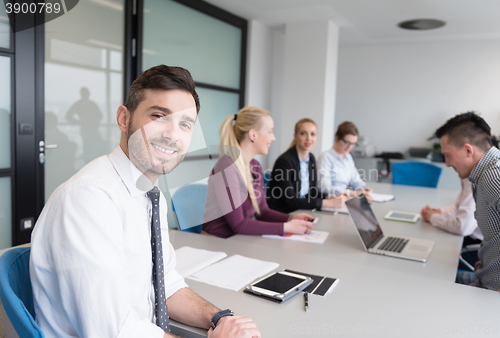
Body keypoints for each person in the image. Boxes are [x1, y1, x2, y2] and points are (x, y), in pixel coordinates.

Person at [30, 65, 260, 338]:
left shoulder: (150, 194)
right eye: (159, 116)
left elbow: (166, 285)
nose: (173, 135)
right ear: (124, 119)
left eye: (185, 124)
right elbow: (113, 332)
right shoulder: (89, 199)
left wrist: (220, 319)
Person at [202, 106, 315, 238]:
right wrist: (286, 227)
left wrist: (291, 218)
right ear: (253, 134)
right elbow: (238, 225)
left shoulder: (255, 166)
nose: (273, 138)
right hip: (217, 242)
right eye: (270, 131)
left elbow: (263, 211)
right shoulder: (227, 167)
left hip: (239, 241)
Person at [435, 111, 500, 291]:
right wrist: (487, 261)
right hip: (485, 277)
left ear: (468, 150)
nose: (447, 163)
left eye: (448, 155)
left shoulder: (494, 178)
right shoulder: (484, 173)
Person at [267, 118, 347, 213]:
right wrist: (327, 203)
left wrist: (329, 197)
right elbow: (291, 201)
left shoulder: (311, 158)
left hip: (300, 211)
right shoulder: (284, 162)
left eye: (312, 134)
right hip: (283, 213)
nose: (309, 138)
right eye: (303, 133)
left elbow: (311, 192)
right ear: (295, 136)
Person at [317, 121, 372, 199]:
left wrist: (364, 188)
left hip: (345, 199)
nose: (349, 147)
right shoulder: (325, 157)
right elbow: (324, 188)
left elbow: (355, 180)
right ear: (336, 138)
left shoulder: (348, 157)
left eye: (353, 143)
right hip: (332, 201)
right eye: (347, 142)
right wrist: (353, 193)